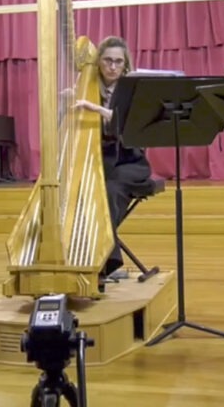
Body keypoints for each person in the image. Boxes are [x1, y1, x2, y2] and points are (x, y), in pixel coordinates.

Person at [75, 36, 153, 285]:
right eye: (108, 60)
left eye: (118, 62)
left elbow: (130, 124)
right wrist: (66, 105)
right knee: (77, 191)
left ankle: (103, 261)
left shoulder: (133, 90)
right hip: (101, 161)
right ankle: (95, 257)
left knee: (108, 192)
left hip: (130, 163)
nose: (112, 66)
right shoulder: (86, 88)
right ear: (98, 62)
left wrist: (97, 109)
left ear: (125, 64)